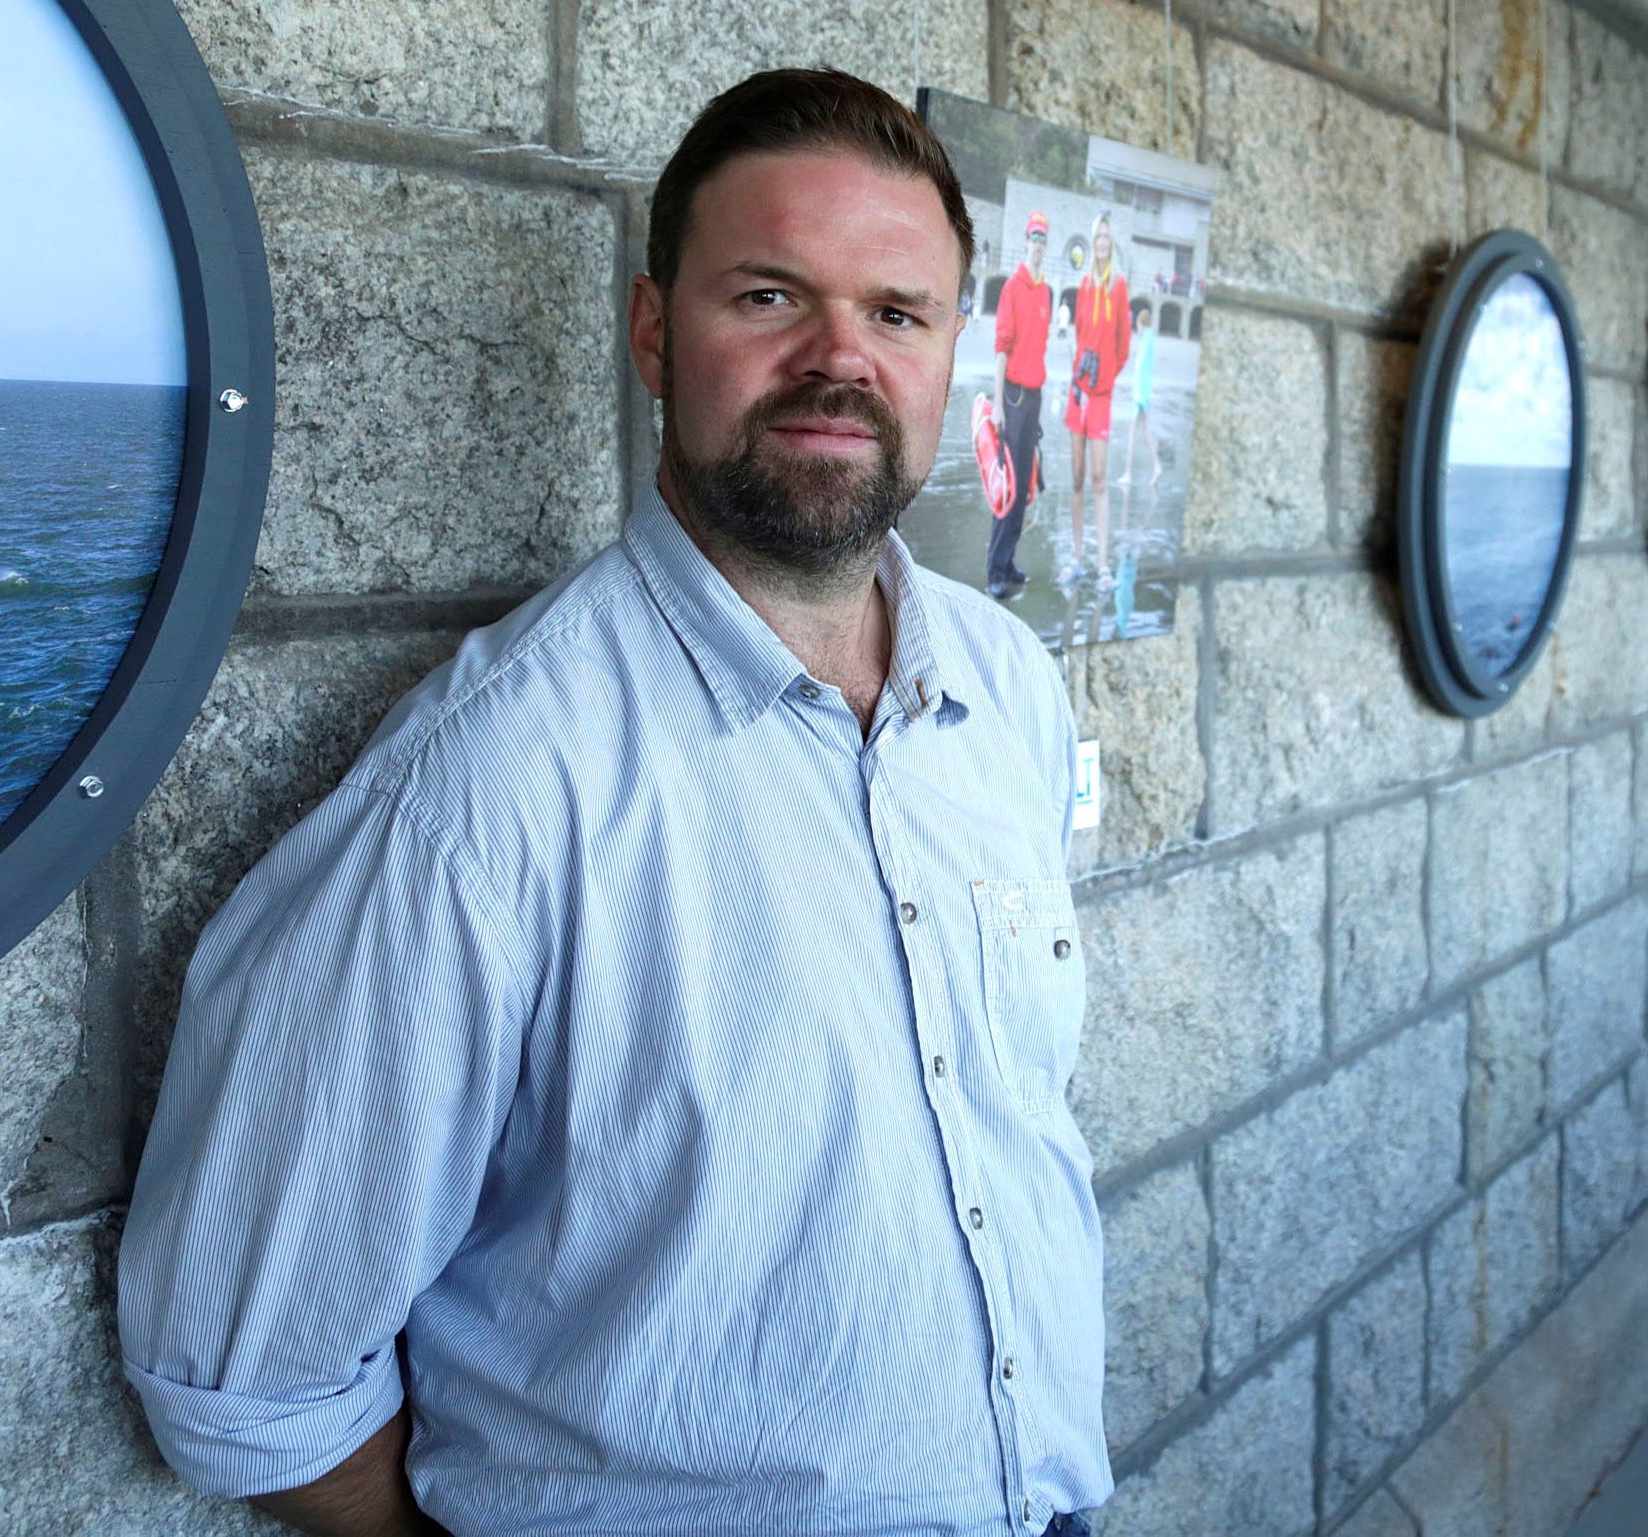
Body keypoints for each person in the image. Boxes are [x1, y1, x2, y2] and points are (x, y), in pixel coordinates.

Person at [118, 68, 1112, 1537]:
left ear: (952, 351)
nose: (840, 360)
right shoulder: (487, 787)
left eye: (895, 312)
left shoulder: (1008, 689)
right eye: (770, 298)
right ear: (654, 333)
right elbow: (243, 1371)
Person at [985, 210, 1053, 600]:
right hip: (1012, 396)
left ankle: (1009, 561)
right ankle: (995, 568)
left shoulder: (1045, 291)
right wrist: (997, 406)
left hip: (1035, 397)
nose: (1039, 245)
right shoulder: (1014, 286)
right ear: (1026, 241)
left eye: (1044, 240)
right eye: (1035, 238)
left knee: (1025, 479)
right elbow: (1001, 349)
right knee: (1008, 484)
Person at [1062, 213, 1128, 586]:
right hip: (1077, 393)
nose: (1102, 241)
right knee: (1076, 477)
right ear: (1092, 241)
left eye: (1106, 235)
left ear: (1111, 242)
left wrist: (1103, 383)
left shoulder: (1118, 286)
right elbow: (1080, 334)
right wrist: (1081, 382)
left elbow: (1123, 347)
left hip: (1100, 397)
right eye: (1097, 235)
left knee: (1100, 479)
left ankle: (1103, 564)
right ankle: (1076, 558)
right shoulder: (1085, 284)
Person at [1116, 300, 1160, 491]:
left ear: (1141, 324)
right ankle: (1156, 466)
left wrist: (1140, 397)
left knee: (1135, 434)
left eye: (1138, 326)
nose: (1137, 329)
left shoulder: (1147, 341)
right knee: (1142, 433)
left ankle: (1129, 473)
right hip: (1143, 393)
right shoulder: (1149, 339)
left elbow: (1141, 369)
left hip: (1140, 394)